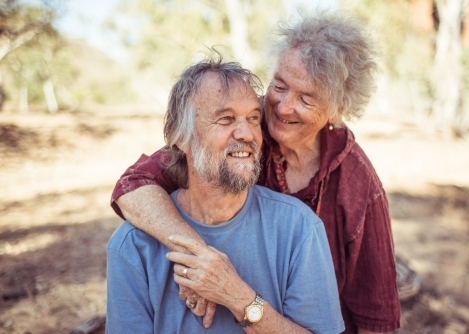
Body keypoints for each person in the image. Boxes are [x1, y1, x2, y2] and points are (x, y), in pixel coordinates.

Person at [111, 11, 402, 334]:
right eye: (279, 85)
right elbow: (134, 186)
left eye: (306, 99)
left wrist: (235, 294)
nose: (283, 106)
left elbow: (378, 316)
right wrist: (198, 256)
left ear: (337, 110)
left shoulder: (357, 184)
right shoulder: (246, 123)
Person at [106, 55, 345, 333]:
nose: (246, 133)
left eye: (254, 118)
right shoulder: (133, 246)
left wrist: (238, 297)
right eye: (226, 118)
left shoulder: (299, 228)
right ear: (181, 139)